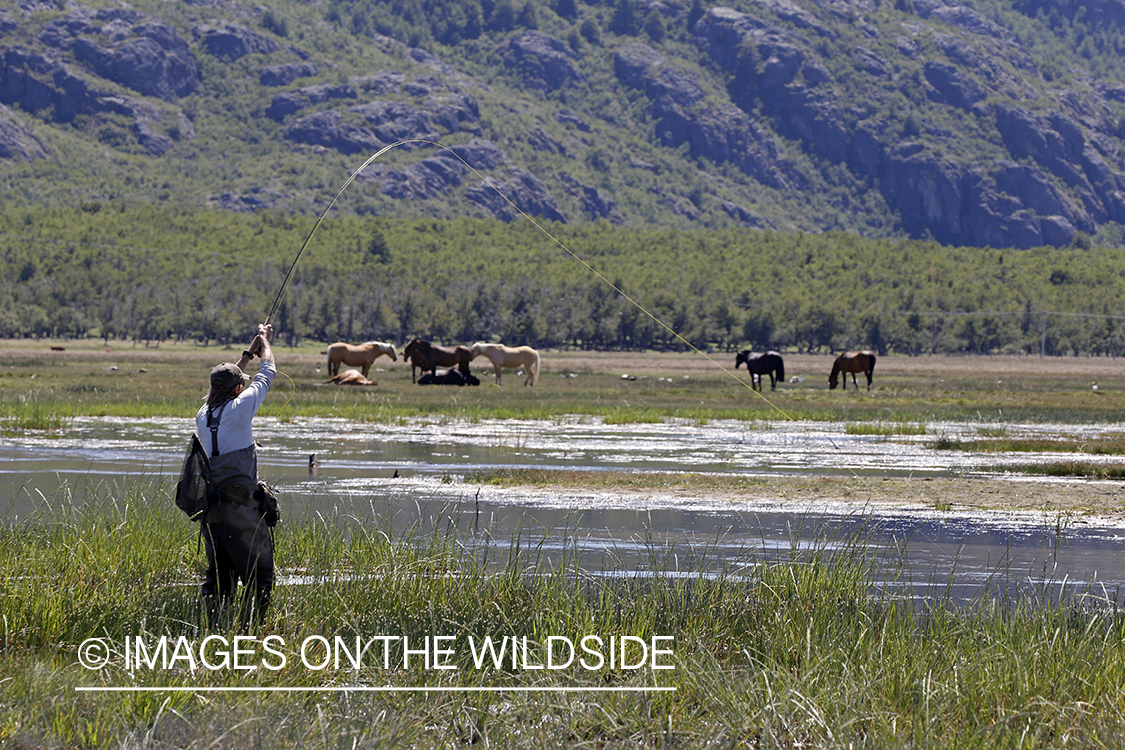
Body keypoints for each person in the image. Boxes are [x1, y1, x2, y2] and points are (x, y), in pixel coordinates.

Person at [196, 323, 276, 627]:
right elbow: (268, 371)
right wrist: (264, 342)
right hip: (241, 509)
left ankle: (212, 626)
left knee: (219, 577)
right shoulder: (241, 407)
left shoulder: (203, 415)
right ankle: (253, 629)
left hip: (211, 512)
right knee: (261, 576)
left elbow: (224, 382)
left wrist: (246, 353)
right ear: (237, 389)